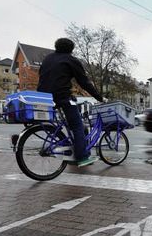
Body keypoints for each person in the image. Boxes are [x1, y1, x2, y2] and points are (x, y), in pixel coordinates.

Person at [37, 38, 105, 167]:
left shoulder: (48, 58)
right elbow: (84, 82)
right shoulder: (71, 60)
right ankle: (83, 157)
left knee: (77, 127)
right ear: (71, 49)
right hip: (62, 96)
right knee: (77, 126)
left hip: (44, 97)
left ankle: (74, 152)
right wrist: (99, 97)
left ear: (56, 46)